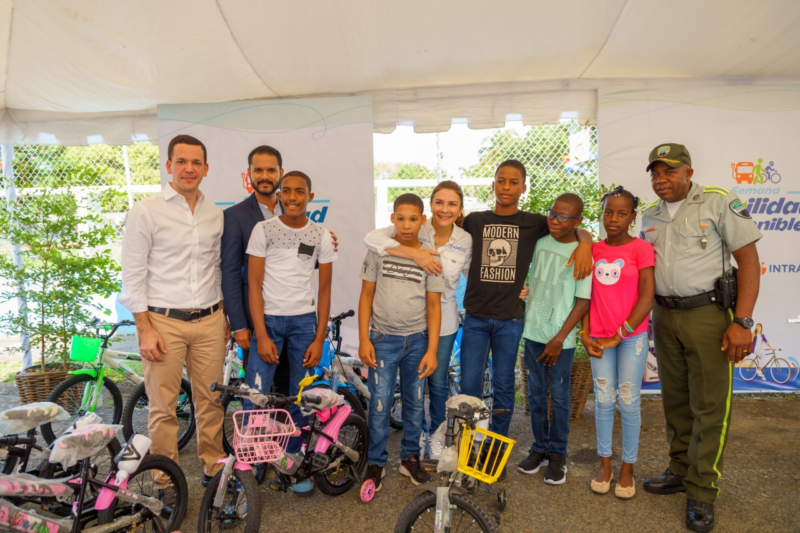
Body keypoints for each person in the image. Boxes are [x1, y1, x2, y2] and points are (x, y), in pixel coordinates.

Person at [640, 143, 761, 532]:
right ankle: (680, 471)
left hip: (709, 315)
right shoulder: (650, 215)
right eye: (656, 173)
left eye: (670, 171)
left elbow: (749, 260)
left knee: (710, 406)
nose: (662, 179)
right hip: (665, 314)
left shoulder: (718, 202)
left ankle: (703, 490)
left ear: (688, 172)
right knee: (675, 401)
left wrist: (742, 320)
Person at [459, 159, 593, 479]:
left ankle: (496, 451)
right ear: (492, 184)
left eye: (513, 182)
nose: (506, 187)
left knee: (505, 387)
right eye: (501, 181)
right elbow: (441, 227)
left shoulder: (535, 223)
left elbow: (574, 225)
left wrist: (586, 243)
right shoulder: (475, 221)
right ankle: (470, 448)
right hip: (476, 319)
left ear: (524, 187)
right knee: (469, 387)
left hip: (510, 322)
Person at [119, 134, 227, 486]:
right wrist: (144, 328)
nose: (189, 168)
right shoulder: (146, 211)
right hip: (163, 322)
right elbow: (133, 275)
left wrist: (223, 313)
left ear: (206, 168)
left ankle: (213, 467)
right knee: (163, 408)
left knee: (211, 400)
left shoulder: (215, 214)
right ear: (169, 166)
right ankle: (166, 482)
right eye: (181, 161)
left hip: (210, 320)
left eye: (196, 162)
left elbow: (217, 267)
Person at [363, 181, 471, 460]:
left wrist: (517, 289)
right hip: (394, 331)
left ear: (460, 209)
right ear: (431, 207)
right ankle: (390, 454)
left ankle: (434, 441)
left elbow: (473, 276)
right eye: (440, 202)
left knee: (433, 386)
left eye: (452, 204)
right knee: (392, 398)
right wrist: (416, 253)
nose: (445, 209)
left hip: (436, 324)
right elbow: (372, 242)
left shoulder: (464, 240)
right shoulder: (410, 230)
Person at [246, 170, 336, 497]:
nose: (293, 197)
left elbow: (324, 291)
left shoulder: (320, 235)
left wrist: (318, 337)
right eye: (287, 191)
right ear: (280, 195)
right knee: (255, 396)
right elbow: (253, 285)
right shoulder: (264, 229)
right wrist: (262, 334)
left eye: (300, 191)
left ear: (310, 196)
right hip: (268, 322)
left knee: (301, 398)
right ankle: (253, 464)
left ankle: (293, 461)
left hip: (303, 325)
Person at [358, 193, 443, 493]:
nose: (407, 226)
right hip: (382, 340)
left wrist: (431, 349)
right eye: (401, 218)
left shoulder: (431, 256)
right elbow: (366, 296)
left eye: (413, 219)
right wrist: (364, 339)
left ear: (423, 220)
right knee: (379, 406)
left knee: (415, 404)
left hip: (417, 343)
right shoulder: (378, 251)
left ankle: (410, 458)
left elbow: (434, 306)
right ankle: (376, 463)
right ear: (392, 218)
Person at [579, 186, 655, 499]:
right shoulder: (593, 249)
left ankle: (628, 468)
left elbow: (647, 298)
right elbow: (584, 296)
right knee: (604, 400)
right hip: (597, 336)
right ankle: (605, 465)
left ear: (632, 216)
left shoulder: (640, 249)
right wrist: (584, 334)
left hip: (629, 338)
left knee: (628, 400)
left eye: (622, 213)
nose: (613, 218)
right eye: (608, 211)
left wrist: (619, 335)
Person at [517, 194, 591, 486]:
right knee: (535, 396)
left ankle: (559, 455)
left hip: (561, 341)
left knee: (560, 399)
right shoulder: (539, 243)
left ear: (577, 221)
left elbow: (583, 302)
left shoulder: (582, 251)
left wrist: (560, 337)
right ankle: (540, 448)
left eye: (563, 216)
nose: (554, 220)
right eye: (552, 213)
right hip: (534, 334)